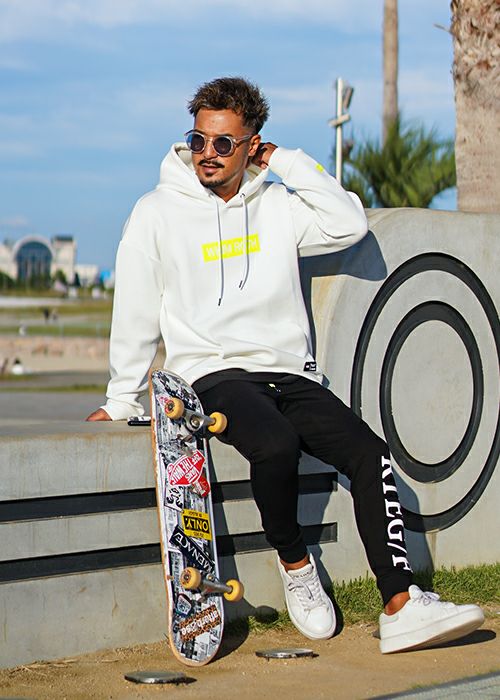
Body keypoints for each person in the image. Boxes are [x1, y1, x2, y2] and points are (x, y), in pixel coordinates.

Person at [87, 76, 484, 652]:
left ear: (252, 145)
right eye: (198, 140)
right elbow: (136, 310)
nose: (207, 154)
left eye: (224, 143)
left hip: (290, 371)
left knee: (370, 454)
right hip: (214, 374)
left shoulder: (277, 204)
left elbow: (348, 222)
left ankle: (401, 605)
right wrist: (121, 398)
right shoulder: (156, 212)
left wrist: (286, 162)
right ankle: (296, 562)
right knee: (275, 444)